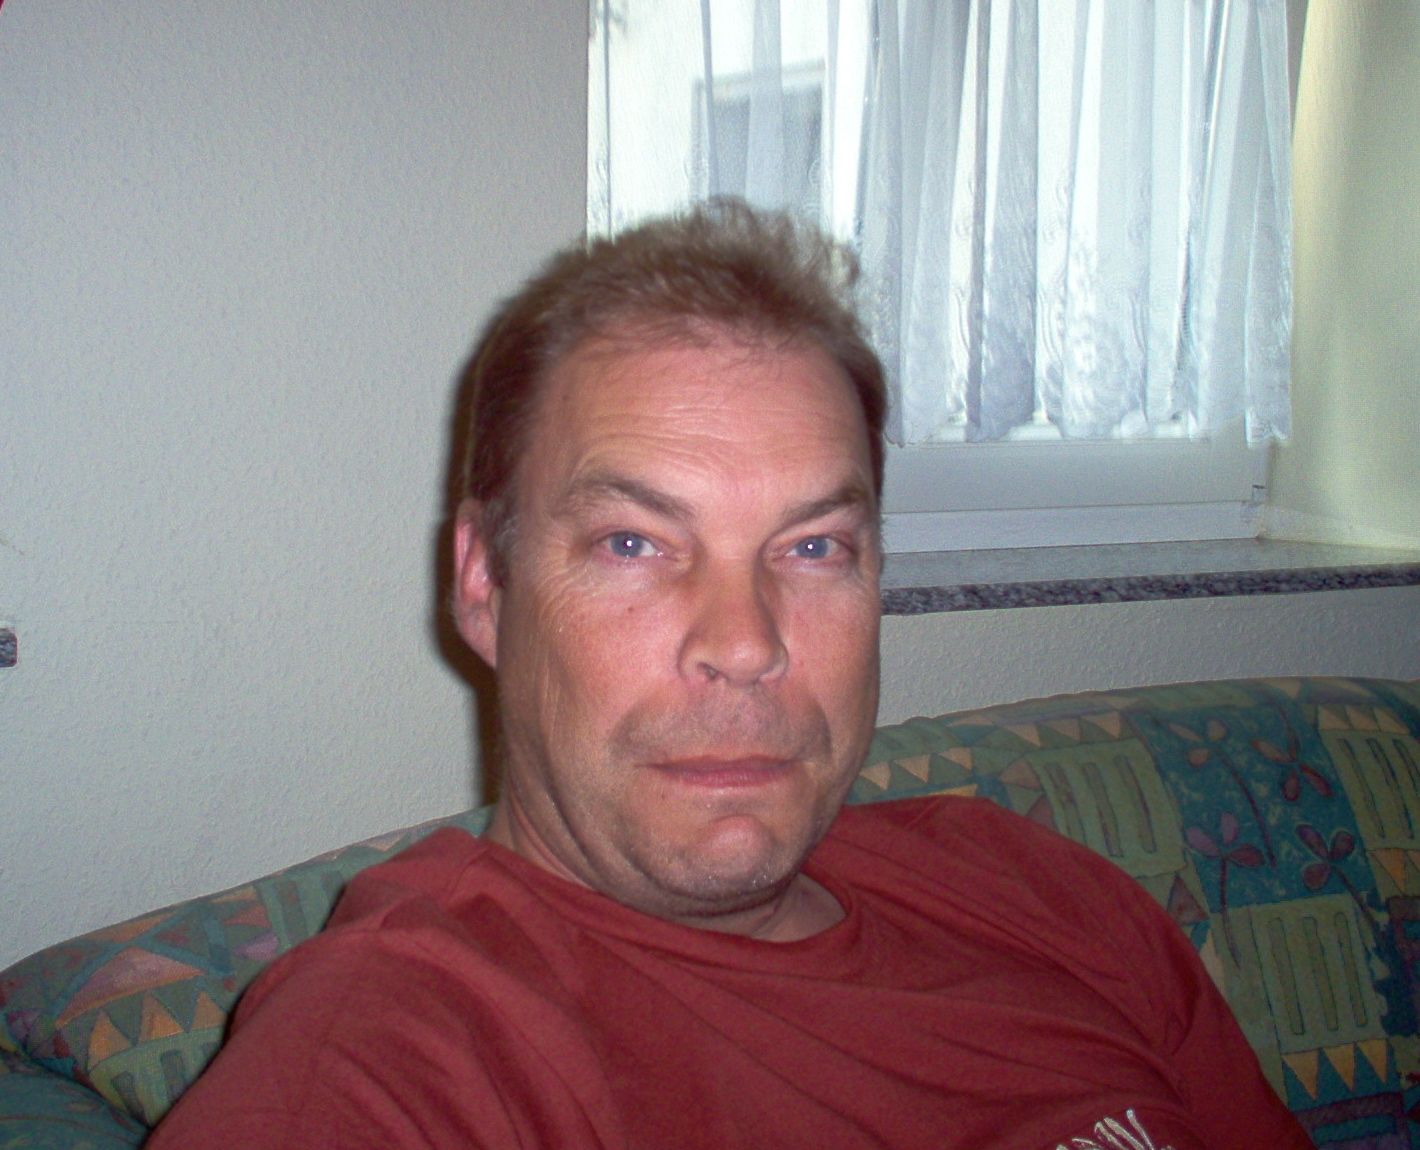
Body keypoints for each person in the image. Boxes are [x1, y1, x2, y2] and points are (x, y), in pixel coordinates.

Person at [150, 201, 1311, 1149]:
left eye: (813, 548)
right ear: (483, 584)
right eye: (633, 543)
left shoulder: (1038, 891)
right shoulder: (399, 1052)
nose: (747, 641)